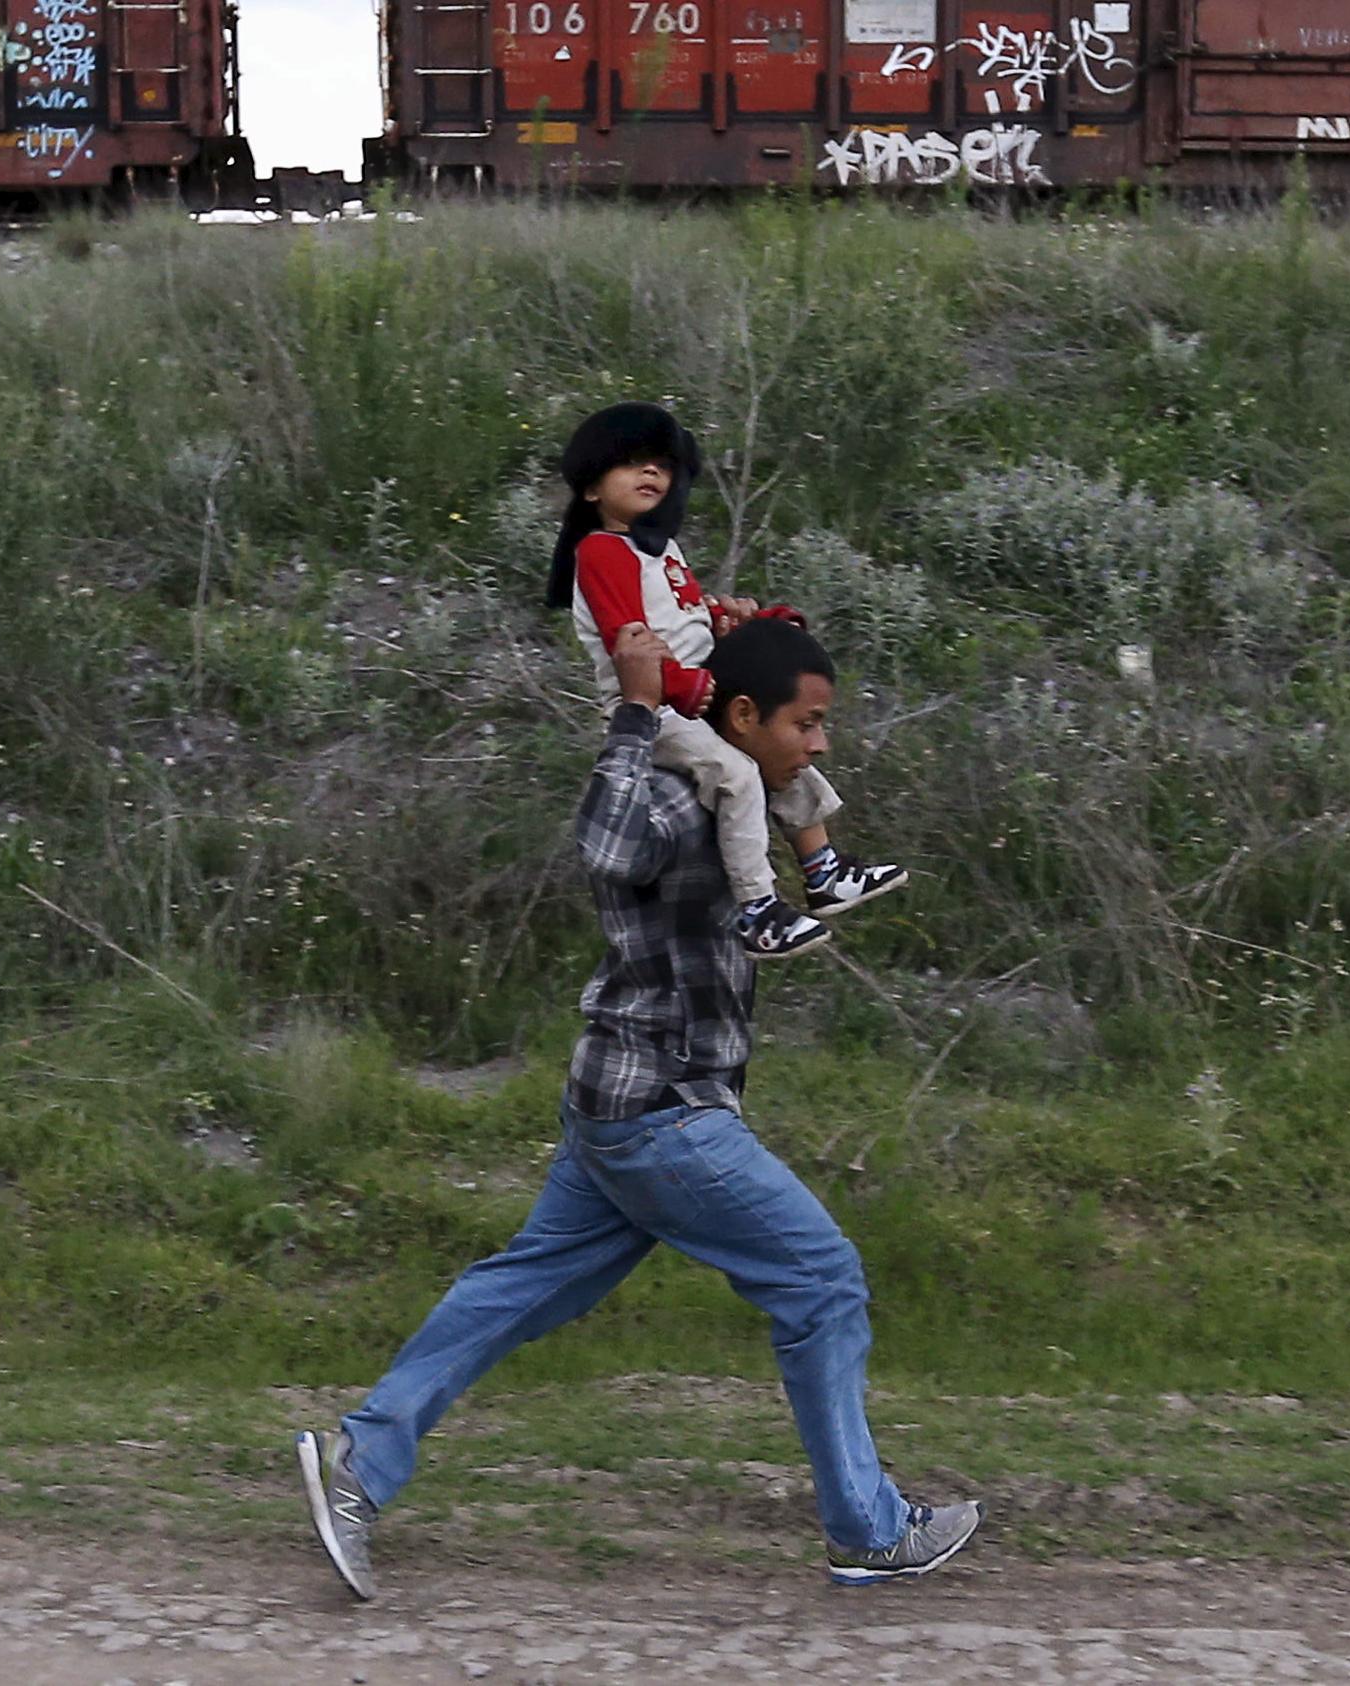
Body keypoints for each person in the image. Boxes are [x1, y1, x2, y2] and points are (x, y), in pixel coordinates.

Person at [293, 616, 980, 1596]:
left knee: (519, 1289)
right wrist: (634, 706)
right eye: (809, 722)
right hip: (661, 1112)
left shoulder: (736, 790)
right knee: (823, 1279)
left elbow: (800, 843)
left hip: (621, 1101)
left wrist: (749, 630)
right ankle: (866, 1530)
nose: (822, 742)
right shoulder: (666, 791)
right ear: (743, 718)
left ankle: (362, 1462)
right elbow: (603, 843)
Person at [545, 401, 906, 960]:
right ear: (592, 488)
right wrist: (675, 684)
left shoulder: (662, 549)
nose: (650, 475)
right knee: (738, 773)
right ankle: (757, 908)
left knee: (785, 755)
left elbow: (686, 614)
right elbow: (629, 639)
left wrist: (740, 628)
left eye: (661, 467)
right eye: (632, 464)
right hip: (653, 706)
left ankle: (823, 869)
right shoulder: (600, 551)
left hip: (697, 693)